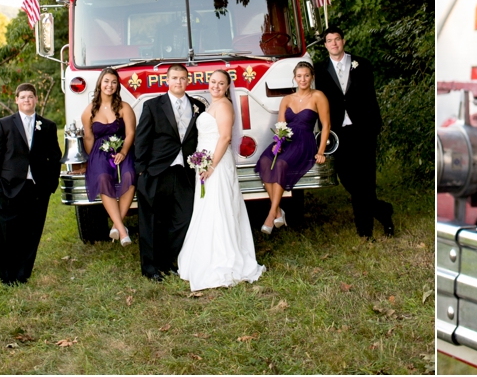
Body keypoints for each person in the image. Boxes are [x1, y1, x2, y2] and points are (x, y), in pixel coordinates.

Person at [178, 70, 264, 291]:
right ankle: (206, 253)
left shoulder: (224, 105)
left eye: (221, 83)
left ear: (227, 87)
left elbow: (225, 137)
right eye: (213, 81)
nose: (215, 86)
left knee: (219, 206)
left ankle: (223, 258)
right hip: (206, 163)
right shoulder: (211, 105)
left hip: (216, 163)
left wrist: (211, 165)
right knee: (207, 206)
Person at [314, 27, 394, 238]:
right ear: (325, 45)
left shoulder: (362, 64)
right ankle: (383, 211)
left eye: (337, 39)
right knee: (347, 178)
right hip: (338, 132)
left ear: (343, 41)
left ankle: (365, 231)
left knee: (366, 179)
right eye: (329, 40)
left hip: (363, 129)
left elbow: (370, 96)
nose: (334, 43)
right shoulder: (319, 70)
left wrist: (374, 125)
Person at [0, 83, 62, 285]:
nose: (27, 100)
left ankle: (23, 273)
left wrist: (51, 184)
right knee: (8, 232)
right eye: (23, 97)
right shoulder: (5, 124)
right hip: (10, 186)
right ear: (17, 100)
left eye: (30, 97)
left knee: (32, 231)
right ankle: (6, 275)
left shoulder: (47, 126)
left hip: (37, 188)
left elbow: (55, 157)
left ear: (36, 100)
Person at [134, 63, 203, 281]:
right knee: (153, 221)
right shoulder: (153, 106)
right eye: (174, 78)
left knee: (183, 219)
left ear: (188, 80)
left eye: (183, 78)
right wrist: (141, 170)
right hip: (156, 170)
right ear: (167, 80)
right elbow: (142, 139)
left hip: (185, 172)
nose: (178, 82)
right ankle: (151, 268)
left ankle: (166, 261)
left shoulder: (197, 105)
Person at [255, 61, 331, 233]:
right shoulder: (287, 99)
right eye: (299, 76)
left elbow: (326, 126)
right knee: (266, 161)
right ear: (294, 78)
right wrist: (278, 143)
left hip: (305, 141)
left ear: (312, 77)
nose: (302, 79)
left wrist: (321, 151)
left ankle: (270, 214)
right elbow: (281, 124)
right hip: (287, 139)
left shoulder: (318, 96)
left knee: (281, 165)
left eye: (306, 75)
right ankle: (278, 211)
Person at [81, 67, 137, 246]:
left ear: (117, 86)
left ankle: (117, 225)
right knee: (103, 177)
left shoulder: (124, 108)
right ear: (99, 83)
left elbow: (130, 134)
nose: (109, 85)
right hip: (99, 152)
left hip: (123, 150)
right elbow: (89, 138)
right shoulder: (88, 111)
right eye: (106, 81)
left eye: (113, 82)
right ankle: (122, 232)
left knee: (129, 175)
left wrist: (123, 152)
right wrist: (94, 161)